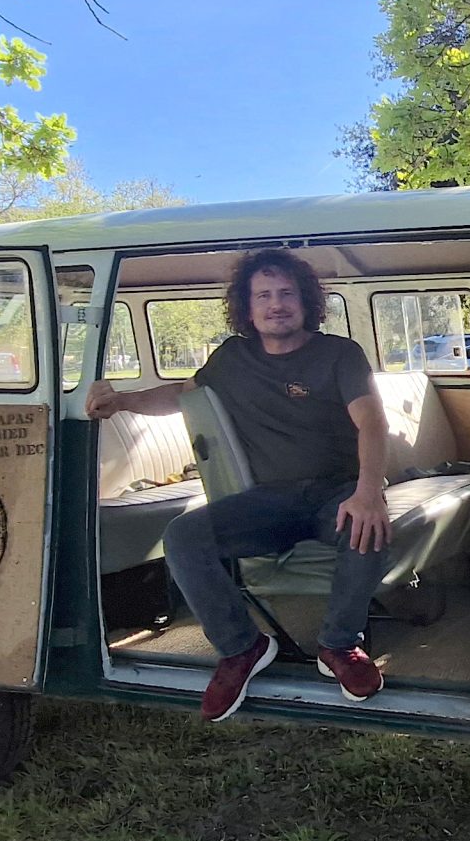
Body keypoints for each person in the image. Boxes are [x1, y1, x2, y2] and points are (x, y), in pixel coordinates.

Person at [84, 249, 392, 721]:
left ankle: (338, 645)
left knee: (367, 528)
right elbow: (181, 395)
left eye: (287, 293)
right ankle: (240, 648)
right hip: (266, 502)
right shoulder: (232, 358)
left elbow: (371, 421)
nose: (276, 304)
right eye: (263, 295)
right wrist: (121, 400)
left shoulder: (339, 354)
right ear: (247, 308)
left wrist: (369, 491)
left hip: (336, 492)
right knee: (184, 536)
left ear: (306, 300)